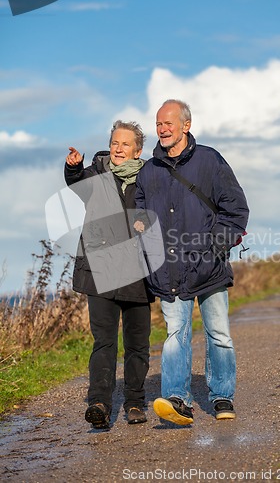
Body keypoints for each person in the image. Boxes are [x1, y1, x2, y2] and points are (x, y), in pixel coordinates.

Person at [135, 100, 249, 425]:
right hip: (168, 271)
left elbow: (236, 210)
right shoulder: (148, 171)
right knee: (175, 335)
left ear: (186, 125)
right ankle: (177, 400)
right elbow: (141, 218)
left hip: (209, 267)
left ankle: (222, 395)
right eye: (158, 124)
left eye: (169, 123)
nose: (162, 129)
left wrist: (213, 248)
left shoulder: (210, 161)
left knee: (219, 334)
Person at [64, 120, 152, 429]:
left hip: (139, 274)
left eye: (125, 144)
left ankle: (135, 403)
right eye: (115, 142)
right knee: (103, 342)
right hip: (100, 272)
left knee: (137, 344)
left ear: (138, 151)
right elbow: (76, 185)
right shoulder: (96, 174)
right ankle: (99, 403)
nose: (117, 147)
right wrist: (73, 168)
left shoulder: (149, 179)